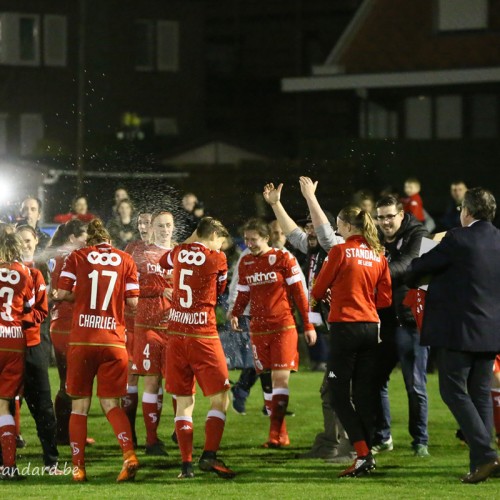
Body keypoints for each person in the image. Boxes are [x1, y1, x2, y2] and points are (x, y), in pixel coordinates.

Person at [406, 187, 500, 483]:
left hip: (459, 330)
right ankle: (482, 464)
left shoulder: (457, 238)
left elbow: (416, 269)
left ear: (466, 211)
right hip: (491, 331)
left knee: (452, 390)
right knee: (480, 395)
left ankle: (485, 455)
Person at [263, 178, 353, 462]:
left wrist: (310, 197)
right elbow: (292, 232)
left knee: (341, 389)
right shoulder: (315, 247)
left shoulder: (336, 244)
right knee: (332, 388)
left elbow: (325, 234)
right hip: (337, 327)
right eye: (309, 227)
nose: (309, 231)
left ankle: (348, 447)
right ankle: (333, 443)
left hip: (349, 327)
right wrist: (276, 204)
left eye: (313, 225)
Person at [57, 219, 140, 482]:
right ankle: (129, 455)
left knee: (79, 407)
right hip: (114, 342)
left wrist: (79, 296)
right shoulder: (125, 259)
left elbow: (61, 292)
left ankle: (78, 468)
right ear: (109, 239)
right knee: (111, 404)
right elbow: (134, 302)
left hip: (83, 340)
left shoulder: (77, 256)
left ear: (89, 240)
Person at [312, 205, 392, 478]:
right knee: (364, 394)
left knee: (337, 392)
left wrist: (338, 295)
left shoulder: (340, 251)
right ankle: (367, 453)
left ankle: (362, 454)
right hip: (371, 328)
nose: (337, 229)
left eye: (338, 225)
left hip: (345, 328)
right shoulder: (378, 254)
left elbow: (318, 289)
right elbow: (385, 299)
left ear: (347, 226)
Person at [230, 218, 317, 449]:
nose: (249, 244)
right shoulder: (246, 262)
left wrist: (308, 325)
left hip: (283, 327)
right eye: (246, 239)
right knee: (268, 383)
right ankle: (281, 434)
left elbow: (299, 293)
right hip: (258, 329)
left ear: (266, 238)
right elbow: (243, 294)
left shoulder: (283, 258)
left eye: (254, 239)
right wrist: (235, 313)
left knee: (280, 380)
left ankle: (274, 433)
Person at [159, 216, 235, 480]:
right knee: (221, 397)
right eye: (220, 242)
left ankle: (186, 466)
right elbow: (221, 288)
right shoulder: (217, 259)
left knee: (183, 402)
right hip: (203, 335)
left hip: (176, 335)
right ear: (214, 235)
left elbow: (162, 262)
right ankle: (209, 456)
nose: (220, 248)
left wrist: (193, 237)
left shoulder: (178, 252)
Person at [372, 195, 431, 458]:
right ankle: (383, 437)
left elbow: (410, 265)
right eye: (380, 217)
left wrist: (372, 272)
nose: (384, 222)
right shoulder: (374, 235)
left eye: (389, 216)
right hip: (383, 321)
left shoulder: (419, 233)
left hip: (411, 321)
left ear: (401, 215)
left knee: (415, 385)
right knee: (376, 381)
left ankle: (420, 440)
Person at [15, 225, 60, 472]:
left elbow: (42, 312)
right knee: (6, 404)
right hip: (8, 345)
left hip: (33, 344)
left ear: (35, 242)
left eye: (28, 240)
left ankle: (51, 461)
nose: (25, 244)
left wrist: (17, 318)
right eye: (20, 241)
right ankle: (6, 462)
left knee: (42, 404)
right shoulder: (5, 270)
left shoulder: (39, 270)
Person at [132, 210, 174, 455]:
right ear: (152, 227)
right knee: (151, 380)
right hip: (149, 326)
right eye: (160, 225)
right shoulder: (143, 255)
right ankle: (151, 440)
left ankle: (180, 431)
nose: (164, 229)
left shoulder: (180, 254)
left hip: (176, 326)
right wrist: (160, 289)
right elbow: (133, 286)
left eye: (168, 225)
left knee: (179, 383)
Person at [47, 220, 89, 445]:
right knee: (71, 382)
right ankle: (63, 434)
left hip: (61, 322)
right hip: (68, 323)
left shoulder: (59, 255)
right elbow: (65, 293)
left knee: (69, 380)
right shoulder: (70, 257)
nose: (87, 240)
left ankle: (65, 433)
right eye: (84, 236)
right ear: (73, 237)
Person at [0, 231, 34, 480]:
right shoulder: (25, 272)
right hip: (13, 341)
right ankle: (9, 466)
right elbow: (28, 306)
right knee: (4, 405)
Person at [121, 210, 153, 447]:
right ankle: (130, 433)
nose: (143, 226)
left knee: (155, 379)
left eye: (148, 222)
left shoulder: (169, 250)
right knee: (131, 377)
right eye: (140, 222)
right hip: (132, 322)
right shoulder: (131, 249)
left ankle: (154, 438)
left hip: (158, 323)